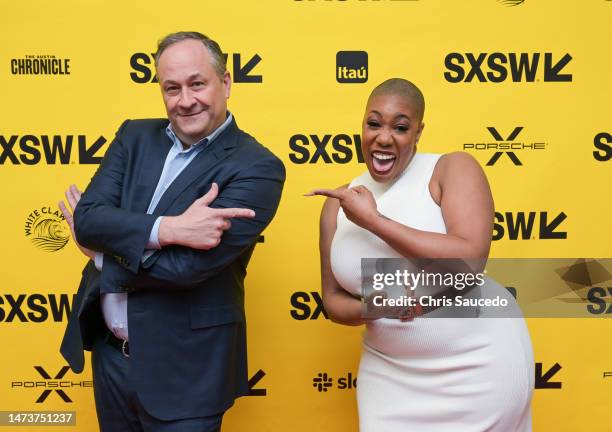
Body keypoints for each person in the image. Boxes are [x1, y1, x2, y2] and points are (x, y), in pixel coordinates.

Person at [58, 31, 285, 432]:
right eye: (172, 88)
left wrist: (98, 253)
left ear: (226, 83)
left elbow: (183, 269)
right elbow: (90, 218)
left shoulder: (258, 167)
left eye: (197, 84)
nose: (185, 100)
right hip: (111, 359)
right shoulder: (134, 136)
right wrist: (168, 229)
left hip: (187, 372)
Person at [311, 78, 534, 431]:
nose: (384, 138)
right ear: (362, 126)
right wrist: (375, 307)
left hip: (477, 365)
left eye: (400, 127)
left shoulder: (450, 169)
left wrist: (374, 221)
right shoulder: (339, 203)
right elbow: (332, 300)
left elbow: (469, 261)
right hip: (388, 372)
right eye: (374, 123)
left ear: (418, 131)